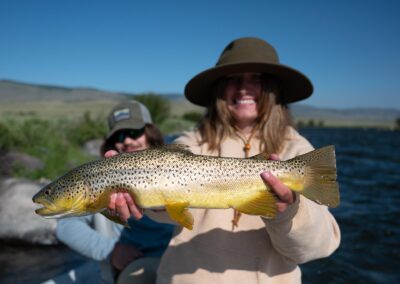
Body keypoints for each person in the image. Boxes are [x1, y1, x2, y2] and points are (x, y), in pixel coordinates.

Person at [107, 37, 341, 283]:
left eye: (257, 79)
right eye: (233, 79)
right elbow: (165, 213)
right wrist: (146, 194)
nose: (243, 88)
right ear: (219, 88)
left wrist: (287, 210)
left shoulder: (298, 151)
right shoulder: (190, 145)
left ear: (273, 89)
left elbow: (317, 249)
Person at [56, 101, 174, 284]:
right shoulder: (100, 179)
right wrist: (110, 250)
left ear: (150, 134)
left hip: (180, 258)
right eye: (119, 136)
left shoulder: (176, 168)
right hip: (133, 266)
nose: (127, 141)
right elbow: (65, 225)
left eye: (134, 132)